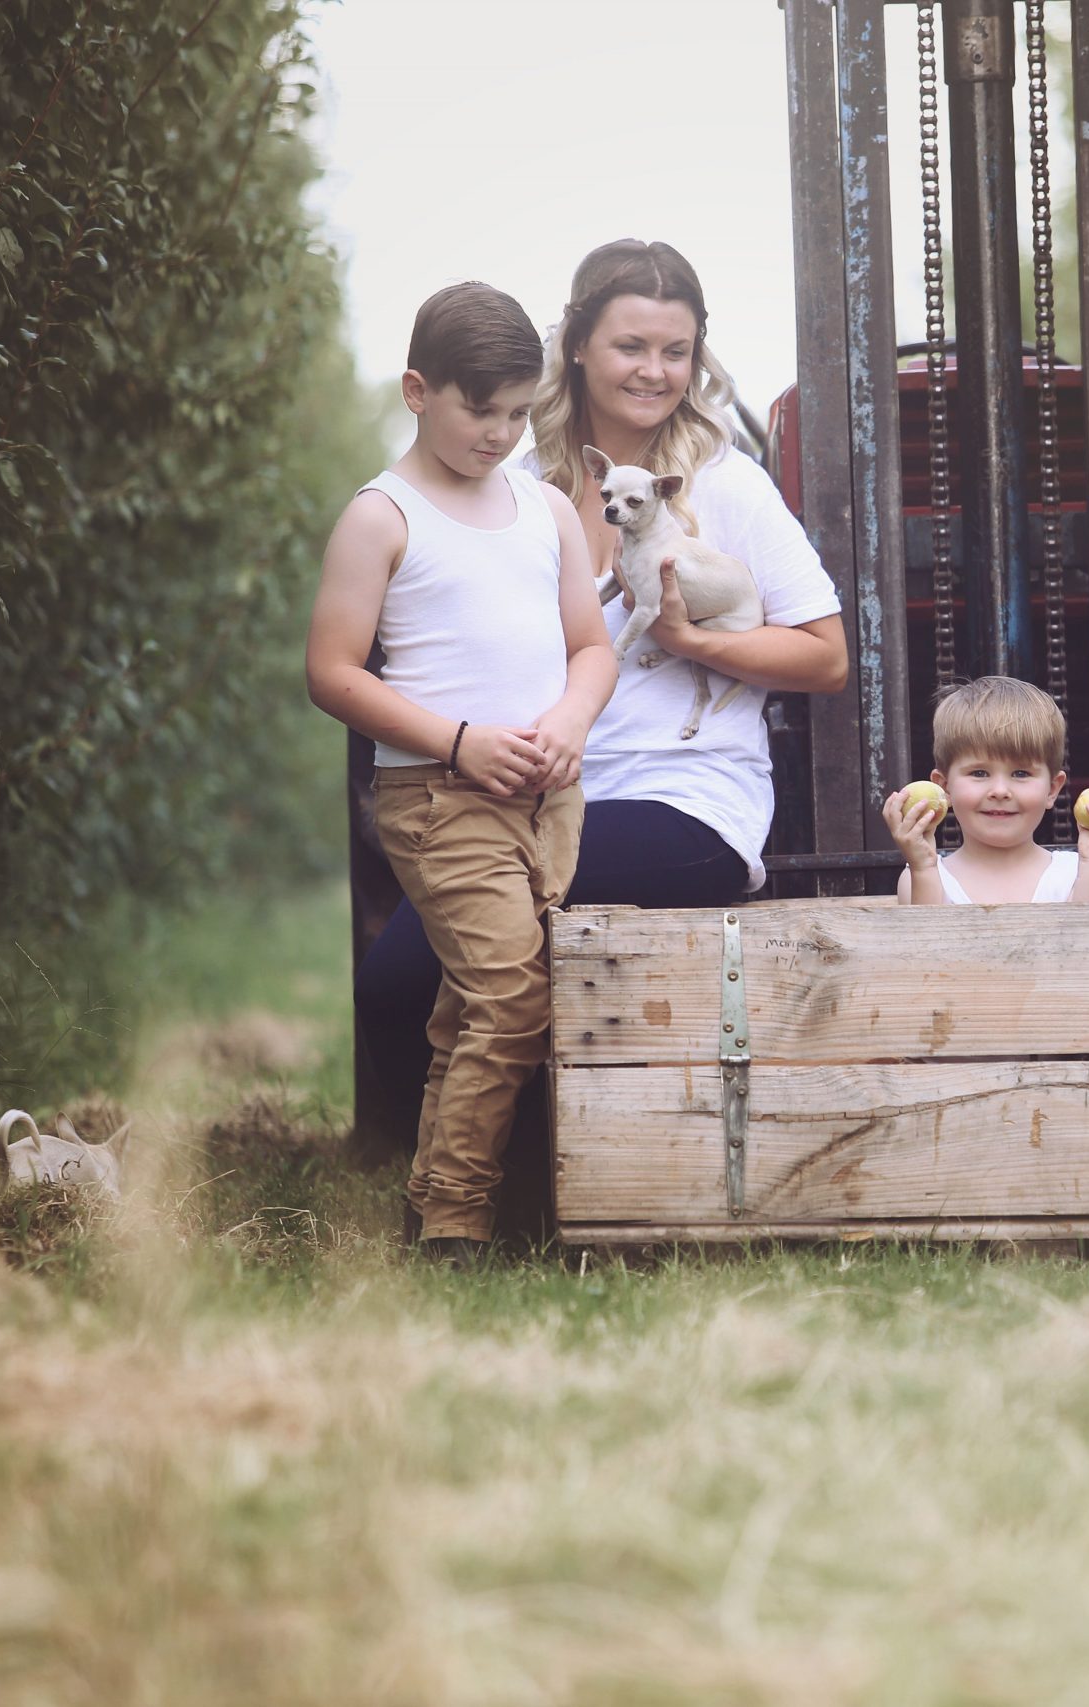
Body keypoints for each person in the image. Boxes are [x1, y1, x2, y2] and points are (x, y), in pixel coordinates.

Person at [353, 241, 849, 1178]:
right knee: (390, 985)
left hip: (680, 799)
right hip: (519, 794)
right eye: (631, 346)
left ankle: (513, 1195)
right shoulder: (511, 482)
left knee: (450, 963)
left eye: (677, 352)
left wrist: (695, 641)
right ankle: (498, 1186)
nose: (656, 372)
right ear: (576, 344)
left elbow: (825, 655)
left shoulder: (723, 485)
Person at [306, 282, 616, 1266]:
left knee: (481, 1001)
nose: (499, 433)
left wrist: (569, 720)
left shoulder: (545, 509)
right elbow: (331, 674)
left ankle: (434, 1197)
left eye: (518, 412)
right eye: (478, 409)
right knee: (512, 994)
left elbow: (592, 649)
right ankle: (457, 1227)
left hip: (547, 795)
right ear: (416, 390)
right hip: (439, 796)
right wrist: (459, 741)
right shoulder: (381, 517)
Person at [882, 675, 1089, 903]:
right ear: (944, 788)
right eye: (979, 773)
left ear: (1052, 790)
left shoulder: (1075, 872)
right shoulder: (923, 875)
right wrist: (923, 867)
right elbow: (926, 949)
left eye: (1020, 773)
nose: (1000, 791)